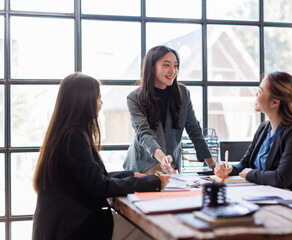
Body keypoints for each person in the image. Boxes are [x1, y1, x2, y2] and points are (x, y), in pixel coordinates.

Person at [32, 73, 169, 240]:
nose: (101, 104)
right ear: (84, 101)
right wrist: (153, 181)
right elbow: (100, 186)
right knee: (151, 232)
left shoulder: (66, 133)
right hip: (73, 230)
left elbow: (92, 178)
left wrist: (132, 174)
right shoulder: (73, 137)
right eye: (98, 99)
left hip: (64, 225)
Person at [214, 72, 292, 194]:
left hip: (289, 201)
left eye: (260, 91)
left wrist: (250, 174)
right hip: (264, 195)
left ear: (274, 102)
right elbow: (245, 164)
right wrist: (229, 169)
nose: (255, 95)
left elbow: (281, 178)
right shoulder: (263, 129)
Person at [124, 45, 216, 174]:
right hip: (143, 166)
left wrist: (213, 166)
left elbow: (194, 130)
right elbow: (144, 133)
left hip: (171, 166)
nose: (172, 70)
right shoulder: (135, 98)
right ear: (152, 67)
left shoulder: (182, 93)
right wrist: (162, 158)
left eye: (176, 66)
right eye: (166, 65)